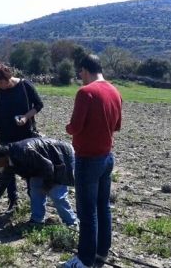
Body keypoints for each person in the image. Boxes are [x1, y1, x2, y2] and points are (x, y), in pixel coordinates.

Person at [63, 54, 122, 268]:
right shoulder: (115, 91)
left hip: (88, 159)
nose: (80, 76)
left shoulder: (85, 92)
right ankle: (101, 254)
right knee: (103, 207)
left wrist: (68, 128)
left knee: (87, 213)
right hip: (107, 158)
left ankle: (85, 260)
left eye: (80, 72)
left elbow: (75, 127)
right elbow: (116, 126)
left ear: (86, 70)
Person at [0, 60, 44, 214]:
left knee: (30, 170)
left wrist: (25, 117)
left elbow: (39, 104)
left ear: (7, 76)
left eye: (2, 82)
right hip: (6, 137)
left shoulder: (24, 86)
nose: (1, 86)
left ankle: (34, 202)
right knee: (7, 172)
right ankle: (13, 202)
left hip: (26, 136)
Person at [0, 137, 78, 226]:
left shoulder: (24, 152)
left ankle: (71, 222)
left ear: (1, 158)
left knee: (56, 194)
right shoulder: (9, 160)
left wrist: (47, 184)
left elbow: (48, 166)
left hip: (61, 156)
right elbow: (3, 182)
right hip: (42, 164)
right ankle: (37, 220)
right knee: (35, 190)